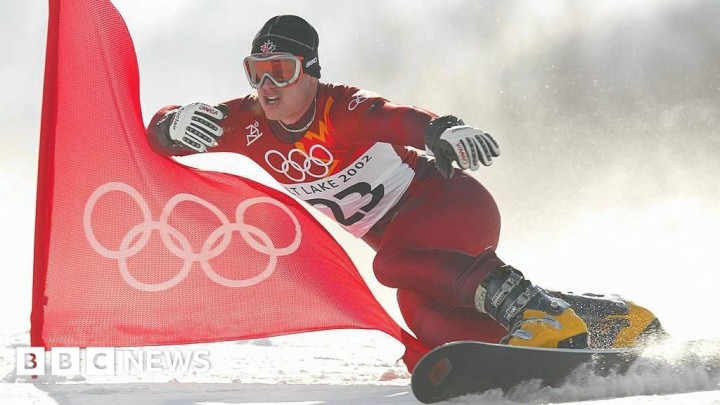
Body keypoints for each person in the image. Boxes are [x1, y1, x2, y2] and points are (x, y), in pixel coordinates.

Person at [147, 15, 665, 351]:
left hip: (448, 205)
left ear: (311, 71)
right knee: (431, 325)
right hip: (416, 247)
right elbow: (156, 138)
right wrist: (172, 123)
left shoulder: (340, 107)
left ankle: (544, 314)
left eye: (280, 70)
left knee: (389, 264)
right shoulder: (246, 122)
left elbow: (393, 116)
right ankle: (603, 323)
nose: (266, 86)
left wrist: (443, 130)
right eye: (255, 71)